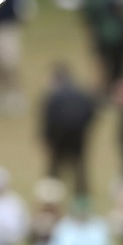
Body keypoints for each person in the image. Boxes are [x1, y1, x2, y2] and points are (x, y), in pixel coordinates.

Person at [41, 65, 98, 195]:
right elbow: (91, 112)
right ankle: (81, 194)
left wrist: (47, 137)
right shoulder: (82, 93)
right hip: (78, 136)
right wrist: (83, 128)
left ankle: (50, 195)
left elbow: (49, 118)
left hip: (58, 138)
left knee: (54, 167)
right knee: (79, 167)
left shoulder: (54, 95)